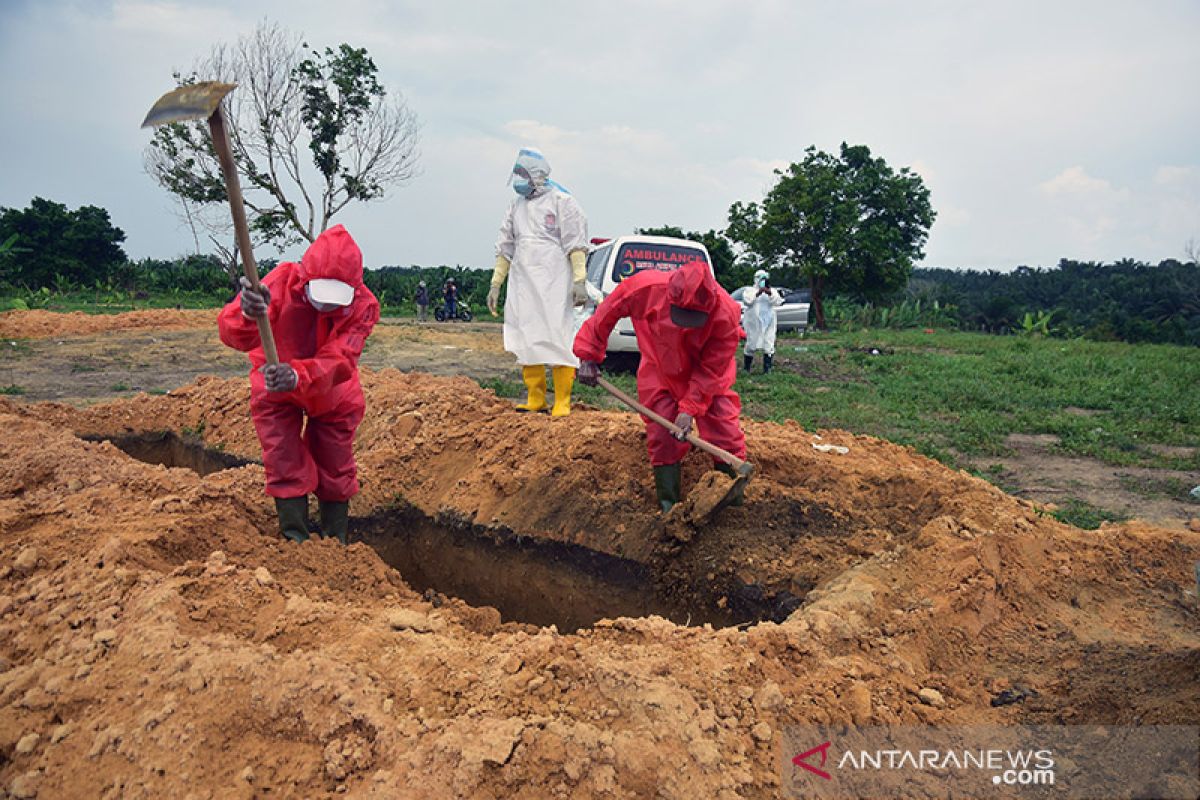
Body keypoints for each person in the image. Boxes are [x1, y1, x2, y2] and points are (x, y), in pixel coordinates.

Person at [218, 224, 380, 544]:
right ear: (305, 278)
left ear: (355, 286)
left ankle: (337, 540)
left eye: (337, 298)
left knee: (336, 464)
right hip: (275, 387)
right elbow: (232, 334)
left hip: (332, 391)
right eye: (321, 294)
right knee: (283, 457)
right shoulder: (279, 283)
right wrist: (247, 313)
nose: (328, 306)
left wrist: (297, 375)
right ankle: (296, 540)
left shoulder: (364, 306)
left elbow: (341, 359)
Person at [574, 259, 746, 512]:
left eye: (693, 318)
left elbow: (711, 370)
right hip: (659, 366)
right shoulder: (646, 288)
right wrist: (588, 354)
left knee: (724, 432)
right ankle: (670, 509)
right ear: (670, 295)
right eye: (681, 315)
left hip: (706, 376)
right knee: (662, 433)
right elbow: (606, 312)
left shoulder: (727, 314)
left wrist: (689, 408)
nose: (685, 324)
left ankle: (732, 509)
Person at [487, 147, 589, 417]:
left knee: (558, 335)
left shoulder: (562, 202)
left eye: (523, 173)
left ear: (536, 175)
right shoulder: (516, 206)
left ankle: (562, 400)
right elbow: (505, 245)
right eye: (517, 173)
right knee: (526, 336)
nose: (519, 179)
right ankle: (535, 397)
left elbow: (576, 244)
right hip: (523, 282)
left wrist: (579, 279)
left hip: (554, 280)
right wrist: (496, 282)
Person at [740, 268, 785, 373]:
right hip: (754, 323)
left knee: (769, 343)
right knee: (751, 344)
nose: (762, 281)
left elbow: (778, 301)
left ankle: (767, 369)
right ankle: (747, 368)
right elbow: (747, 301)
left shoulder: (772, 291)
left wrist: (769, 293)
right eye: (760, 279)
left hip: (768, 322)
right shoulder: (749, 290)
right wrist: (758, 293)